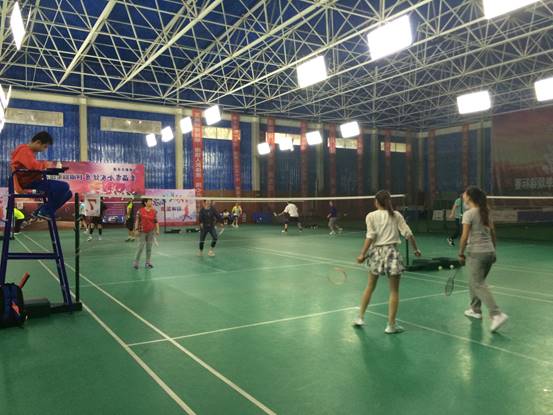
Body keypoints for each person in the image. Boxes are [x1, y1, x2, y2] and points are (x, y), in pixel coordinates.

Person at [354, 190, 421, 334]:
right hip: (392, 253)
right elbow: (408, 234)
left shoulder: (371, 216)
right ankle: (391, 325)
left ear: (376, 202)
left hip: (376, 253)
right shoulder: (396, 215)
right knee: (394, 291)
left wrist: (362, 254)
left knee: (370, 286)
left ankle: (360, 317)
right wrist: (416, 249)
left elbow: (370, 236)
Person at [458, 186, 508, 333]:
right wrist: (493, 251)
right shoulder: (486, 212)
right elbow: (493, 233)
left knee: (478, 284)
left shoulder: (468, 214)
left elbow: (464, 236)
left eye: (464, 194)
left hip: (477, 253)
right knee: (474, 281)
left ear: (469, 197)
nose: (463, 195)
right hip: (489, 252)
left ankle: (496, 314)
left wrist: (460, 253)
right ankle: (475, 310)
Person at [10, 131, 72, 219]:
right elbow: (34, 166)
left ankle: (41, 211)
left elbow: (33, 166)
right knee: (64, 186)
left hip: (33, 181)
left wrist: (43, 166)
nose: (44, 149)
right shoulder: (24, 150)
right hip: (30, 183)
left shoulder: (26, 151)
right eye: (45, 146)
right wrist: (45, 165)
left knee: (68, 194)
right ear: (38, 142)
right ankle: (44, 211)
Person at [133, 198, 159, 269]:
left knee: (149, 248)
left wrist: (157, 230)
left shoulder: (154, 211)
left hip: (151, 231)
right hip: (142, 231)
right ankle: (136, 263)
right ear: (145, 203)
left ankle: (148, 263)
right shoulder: (140, 211)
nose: (151, 202)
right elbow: (137, 220)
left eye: (151, 201)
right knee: (140, 247)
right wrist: (136, 229)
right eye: (149, 201)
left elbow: (156, 221)